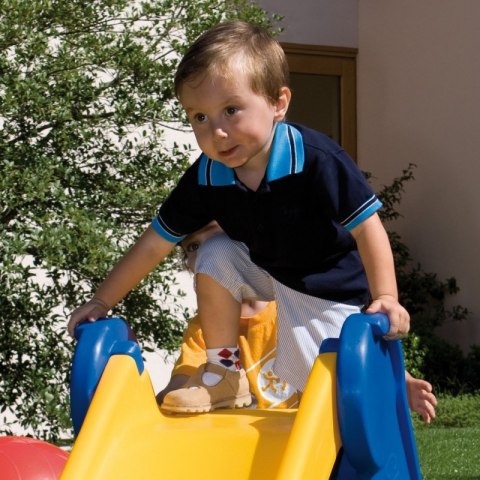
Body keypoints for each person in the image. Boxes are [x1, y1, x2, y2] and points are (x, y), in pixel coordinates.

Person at [68, 20, 410, 414]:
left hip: (325, 288)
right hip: (268, 271)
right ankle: (224, 373)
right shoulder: (207, 176)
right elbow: (154, 244)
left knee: (332, 398)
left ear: (278, 103)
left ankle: (387, 387)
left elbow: (367, 228)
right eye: (199, 117)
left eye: (231, 110)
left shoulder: (316, 158)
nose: (217, 132)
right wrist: (101, 300)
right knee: (215, 253)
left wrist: (386, 297)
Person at [158, 223, 436, 423]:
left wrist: (401, 382)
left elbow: (350, 349)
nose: (204, 251)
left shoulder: (294, 303)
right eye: (193, 246)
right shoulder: (203, 329)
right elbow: (187, 375)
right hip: (247, 436)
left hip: (307, 432)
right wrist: (169, 397)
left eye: (218, 236)